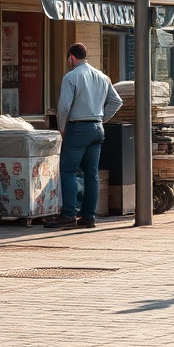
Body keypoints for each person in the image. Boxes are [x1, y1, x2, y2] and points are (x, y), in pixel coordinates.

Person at [44, 43, 122, 229]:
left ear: (71, 57)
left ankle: (69, 214)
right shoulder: (102, 76)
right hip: (96, 128)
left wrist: (62, 128)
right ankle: (89, 217)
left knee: (68, 170)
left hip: (78, 128)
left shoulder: (72, 76)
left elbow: (63, 107)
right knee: (91, 173)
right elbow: (116, 101)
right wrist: (101, 118)